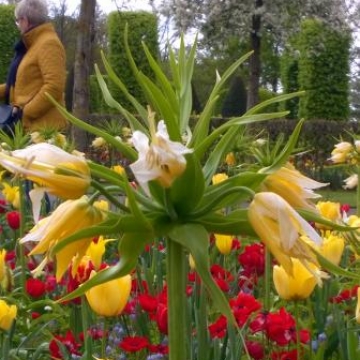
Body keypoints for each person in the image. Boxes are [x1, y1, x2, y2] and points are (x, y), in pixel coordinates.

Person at [0, 0, 67, 132]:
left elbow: (54, 86)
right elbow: (19, 85)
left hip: (43, 129)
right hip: (30, 127)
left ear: (25, 20)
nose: (18, 25)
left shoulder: (48, 43)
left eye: (18, 21)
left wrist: (26, 111)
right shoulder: (32, 45)